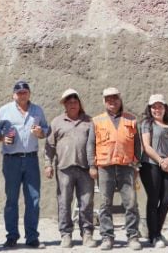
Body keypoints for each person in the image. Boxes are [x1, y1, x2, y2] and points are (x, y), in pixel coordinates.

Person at [87, 87, 143, 251]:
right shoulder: (97, 121)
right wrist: (92, 165)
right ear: (104, 102)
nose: (112, 102)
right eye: (108, 99)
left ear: (120, 99)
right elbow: (90, 145)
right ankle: (107, 237)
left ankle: (133, 236)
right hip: (105, 168)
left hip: (127, 168)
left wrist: (136, 164)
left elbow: (137, 144)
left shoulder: (131, 119)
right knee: (105, 204)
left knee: (131, 203)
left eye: (115, 99)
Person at [0, 81, 50, 249]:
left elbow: (46, 130)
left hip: (31, 159)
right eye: (19, 92)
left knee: (33, 199)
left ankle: (32, 237)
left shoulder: (37, 110)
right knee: (11, 200)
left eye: (25, 92)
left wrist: (41, 133)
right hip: (11, 160)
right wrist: (2, 138)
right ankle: (12, 236)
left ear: (29, 94)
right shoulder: (4, 110)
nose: (22, 95)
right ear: (14, 95)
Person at [45, 88, 96, 248]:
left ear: (79, 104)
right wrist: (48, 164)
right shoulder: (56, 122)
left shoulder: (89, 121)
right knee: (64, 202)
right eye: (69, 102)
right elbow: (49, 146)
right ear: (64, 105)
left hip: (85, 168)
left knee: (86, 202)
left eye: (75, 102)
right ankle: (66, 234)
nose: (72, 104)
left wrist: (95, 165)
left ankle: (87, 233)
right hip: (64, 168)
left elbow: (96, 144)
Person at [139, 94, 168, 249]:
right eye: (154, 107)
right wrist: (161, 161)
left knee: (167, 199)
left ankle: (155, 231)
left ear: (165, 108)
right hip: (150, 164)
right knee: (154, 197)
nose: (157, 109)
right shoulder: (147, 123)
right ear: (150, 109)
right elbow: (147, 146)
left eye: (160, 106)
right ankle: (155, 236)